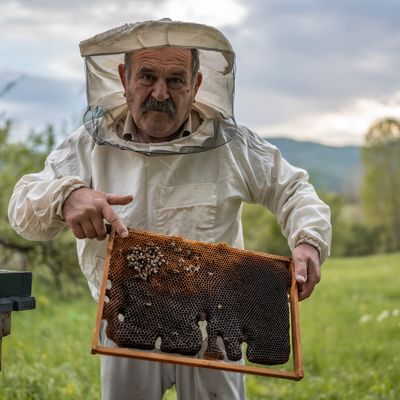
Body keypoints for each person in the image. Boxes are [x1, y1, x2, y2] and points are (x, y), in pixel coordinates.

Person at [8, 19, 331, 400]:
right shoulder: (89, 146)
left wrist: (308, 242)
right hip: (126, 318)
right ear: (124, 78)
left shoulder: (230, 145)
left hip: (215, 322)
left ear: (196, 86)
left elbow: (293, 189)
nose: (160, 92)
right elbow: (22, 207)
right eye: (147, 76)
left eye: (176, 80)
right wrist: (67, 196)